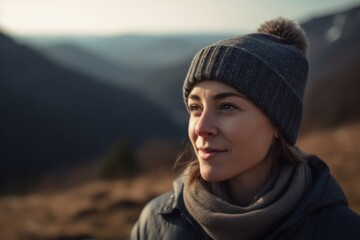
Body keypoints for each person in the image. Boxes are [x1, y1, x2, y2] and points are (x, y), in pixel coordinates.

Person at [130, 17, 360, 240]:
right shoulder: (156, 223)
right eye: (195, 107)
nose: (201, 127)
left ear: (278, 123)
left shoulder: (343, 231)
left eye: (227, 106)